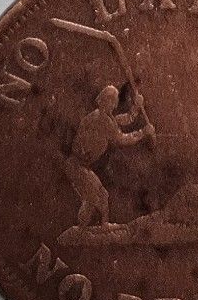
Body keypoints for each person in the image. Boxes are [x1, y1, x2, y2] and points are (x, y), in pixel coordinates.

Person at [65, 84, 155, 227]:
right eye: (111, 100)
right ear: (104, 100)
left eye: (115, 100)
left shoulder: (104, 117)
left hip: (80, 166)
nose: (114, 104)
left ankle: (98, 226)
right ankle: (92, 228)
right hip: (77, 166)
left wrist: (136, 108)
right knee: (95, 197)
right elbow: (121, 138)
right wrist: (143, 132)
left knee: (100, 196)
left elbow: (123, 120)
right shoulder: (100, 119)